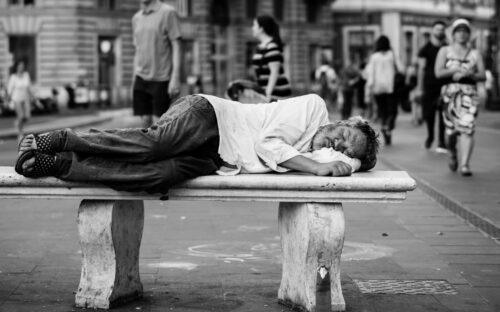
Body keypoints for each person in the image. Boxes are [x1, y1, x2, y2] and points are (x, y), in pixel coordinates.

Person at [15, 94, 379, 194]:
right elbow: (269, 145)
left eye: (346, 150)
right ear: (345, 121)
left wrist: (351, 160)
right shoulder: (314, 108)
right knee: (154, 145)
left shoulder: (324, 153)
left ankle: (61, 164)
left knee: (158, 176)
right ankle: (61, 139)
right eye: (346, 136)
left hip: (218, 159)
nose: (339, 146)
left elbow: (350, 163)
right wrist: (317, 166)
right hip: (210, 116)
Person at [435, 18, 486, 177]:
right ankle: (452, 152)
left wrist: (471, 73)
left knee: (468, 128)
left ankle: (465, 164)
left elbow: (483, 75)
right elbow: (438, 73)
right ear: (453, 34)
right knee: (450, 132)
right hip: (450, 94)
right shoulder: (445, 51)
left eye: (465, 32)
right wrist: (454, 70)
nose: (462, 35)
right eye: (459, 32)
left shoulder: (475, 53)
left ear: (469, 35)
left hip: (469, 94)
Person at [132, 0, 182, 128]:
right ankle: (147, 153)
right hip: (141, 78)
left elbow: (177, 45)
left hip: (161, 78)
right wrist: (134, 79)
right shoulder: (136, 18)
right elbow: (138, 50)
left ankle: (161, 152)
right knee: (144, 124)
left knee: (159, 126)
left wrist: (175, 77)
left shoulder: (168, 12)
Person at [416, 20, 448, 153]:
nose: (440, 31)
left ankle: (441, 141)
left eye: (442, 29)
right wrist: (419, 87)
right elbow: (421, 69)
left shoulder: (447, 48)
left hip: (444, 85)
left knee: (443, 115)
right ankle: (430, 136)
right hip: (429, 86)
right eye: (437, 29)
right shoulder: (425, 49)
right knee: (429, 114)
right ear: (432, 31)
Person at [365, 35, 402, 146]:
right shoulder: (392, 55)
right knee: (393, 111)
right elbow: (401, 68)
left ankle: (385, 127)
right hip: (391, 87)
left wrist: (369, 89)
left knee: (383, 111)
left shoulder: (374, 57)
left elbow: (370, 73)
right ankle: (388, 127)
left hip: (378, 88)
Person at [251, 15, 291, 101]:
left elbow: (274, 73)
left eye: (254, 25)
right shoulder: (261, 47)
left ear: (261, 28)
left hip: (277, 94)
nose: (252, 28)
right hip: (266, 93)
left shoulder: (272, 47)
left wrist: (267, 94)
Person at [7, 60, 36, 142]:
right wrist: (8, 99)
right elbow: (10, 89)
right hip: (17, 99)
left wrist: (33, 97)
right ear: (17, 67)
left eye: (23, 66)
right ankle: (20, 133)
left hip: (25, 98)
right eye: (20, 66)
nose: (21, 67)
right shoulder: (13, 77)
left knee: (27, 117)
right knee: (21, 116)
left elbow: (29, 87)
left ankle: (17, 123)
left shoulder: (26, 75)